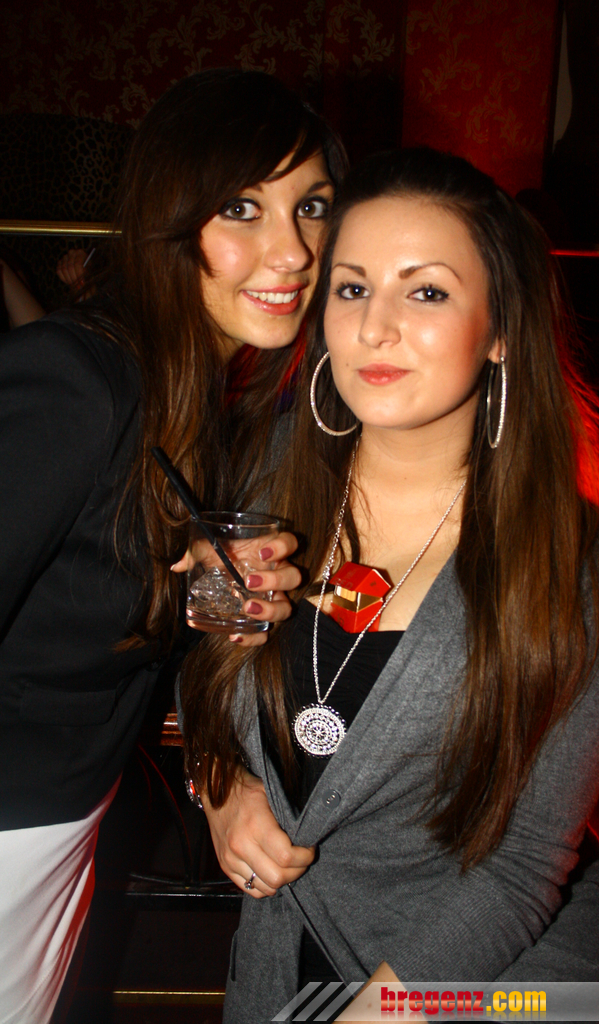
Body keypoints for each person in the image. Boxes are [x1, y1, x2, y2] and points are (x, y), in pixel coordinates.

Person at [180, 148, 599, 1024]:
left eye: (427, 291)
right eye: (353, 288)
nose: (376, 327)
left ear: (501, 326)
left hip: (500, 987)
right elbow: (203, 673)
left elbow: (524, 869)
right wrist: (220, 785)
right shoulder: (264, 483)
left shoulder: (567, 563)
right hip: (284, 964)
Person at [0, 68, 346, 1024]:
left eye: (313, 206)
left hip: (64, 831)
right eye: (242, 207)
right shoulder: (77, 380)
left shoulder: (201, 408)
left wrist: (208, 602)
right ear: (168, 220)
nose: (294, 250)